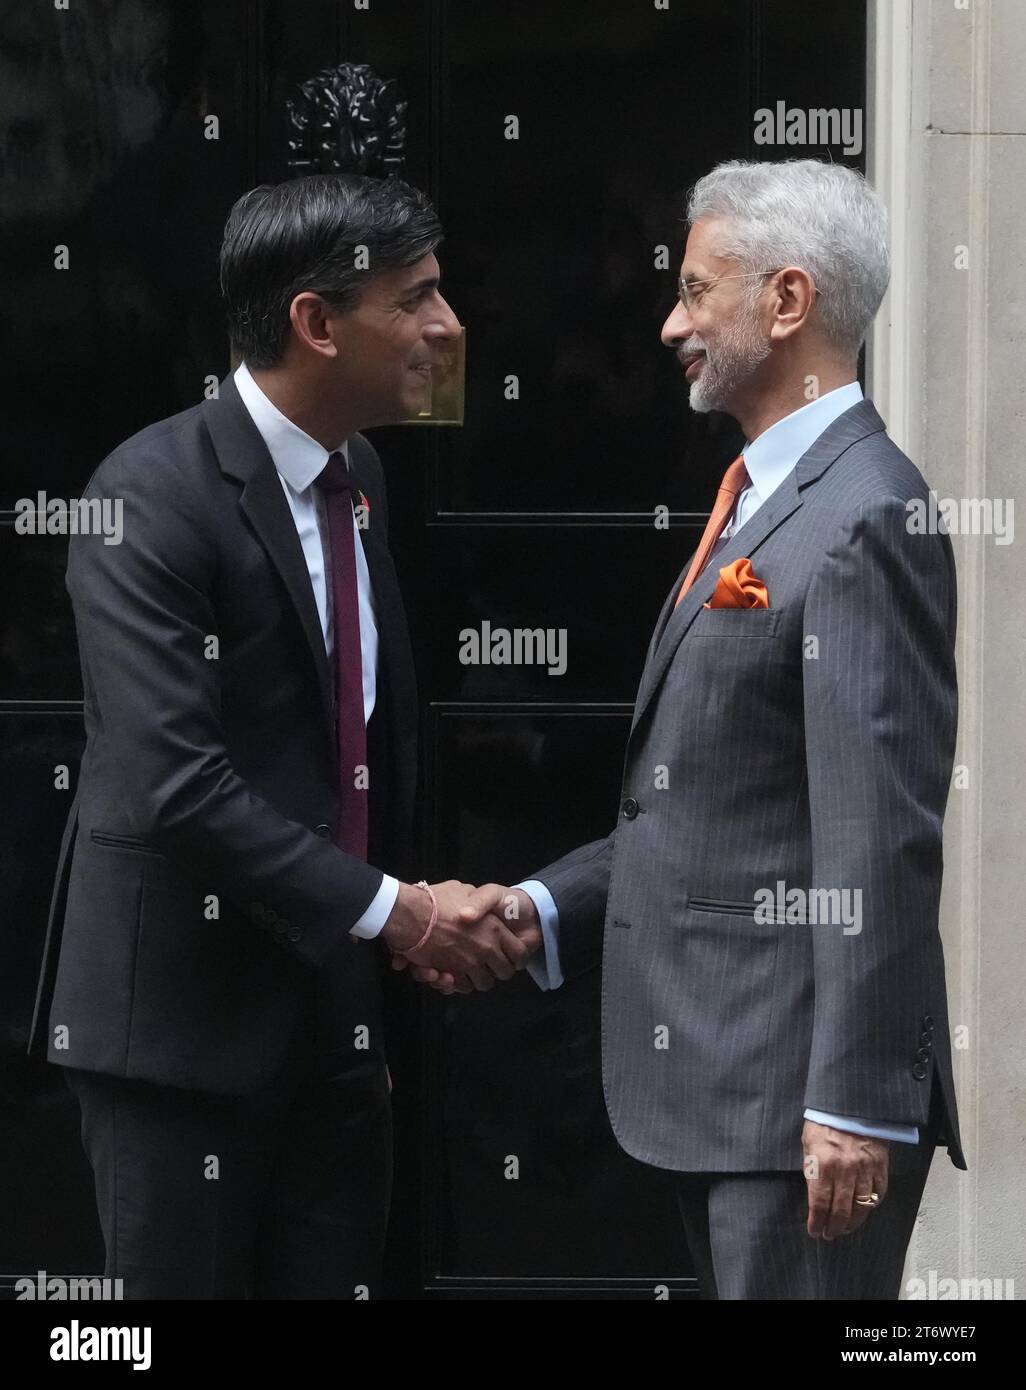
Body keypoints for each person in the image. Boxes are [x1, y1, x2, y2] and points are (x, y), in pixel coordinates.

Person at [402, 158, 966, 1301]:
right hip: (726, 1103)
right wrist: (542, 905)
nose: (669, 324)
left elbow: (879, 842)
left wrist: (853, 1104)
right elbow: (708, 800)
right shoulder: (766, 495)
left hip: (797, 1119)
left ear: (788, 302)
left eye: (698, 290)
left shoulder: (863, 515)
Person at [28, 173, 531, 1299]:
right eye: (419, 298)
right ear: (316, 321)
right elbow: (177, 785)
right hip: (181, 1040)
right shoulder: (149, 496)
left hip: (337, 1026)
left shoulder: (362, 477)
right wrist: (398, 909)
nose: (448, 328)